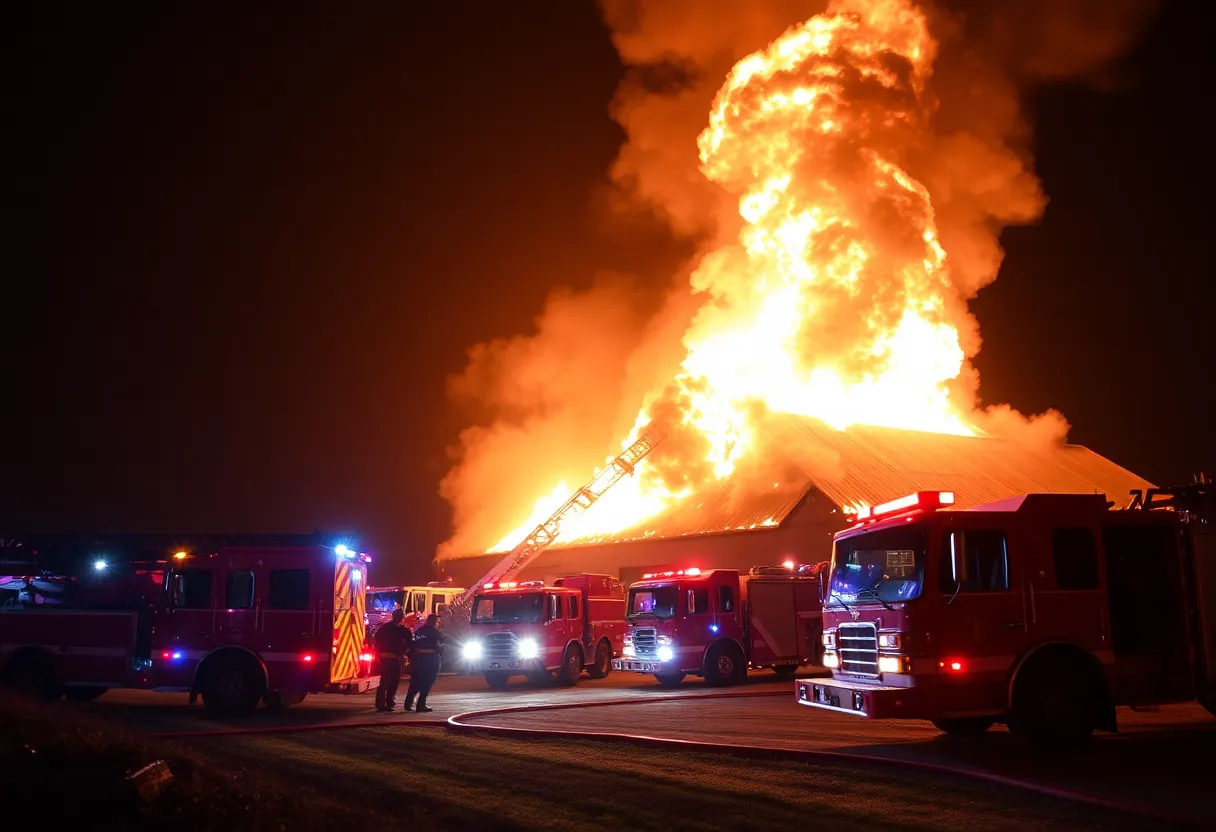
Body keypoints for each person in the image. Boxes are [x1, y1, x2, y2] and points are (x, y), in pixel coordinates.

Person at [374, 608, 412, 712]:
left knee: (384, 681)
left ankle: (380, 703)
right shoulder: (403, 630)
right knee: (393, 682)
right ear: (402, 617)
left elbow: (376, 641)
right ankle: (389, 703)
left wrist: (377, 654)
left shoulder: (384, 628)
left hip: (384, 658)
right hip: (395, 659)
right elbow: (409, 644)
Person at [403, 613, 443, 713]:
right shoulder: (435, 632)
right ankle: (421, 704)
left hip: (417, 659)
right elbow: (441, 643)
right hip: (430, 659)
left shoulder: (419, 631)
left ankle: (408, 703)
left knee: (415, 681)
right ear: (434, 621)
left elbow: (412, 644)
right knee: (427, 682)